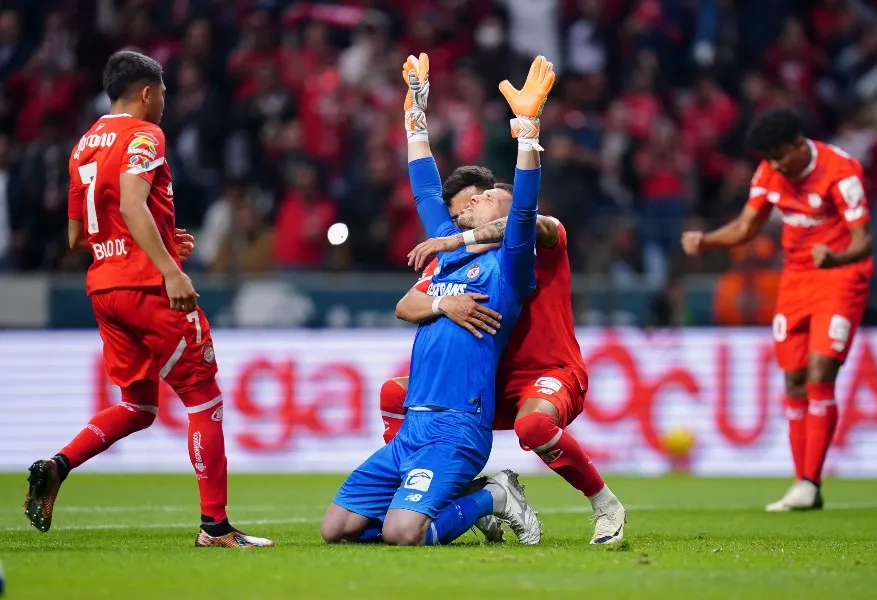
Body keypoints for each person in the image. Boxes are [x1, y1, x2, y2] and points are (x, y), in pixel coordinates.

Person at [23, 50, 273, 548]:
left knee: (138, 406)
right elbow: (133, 200)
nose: (164, 102)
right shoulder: (144, 134)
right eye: (162, 93)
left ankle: (58, 464)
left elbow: (78, 235)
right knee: (204, 396)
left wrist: (158, 235)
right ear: (146, 92)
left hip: (105, 290)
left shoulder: (82, 145)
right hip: (147, 287)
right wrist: (167, 268)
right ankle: (215, 528)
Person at [320, 53, 552, 546]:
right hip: (413, 426)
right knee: (335, 529)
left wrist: (528, 132)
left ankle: (495, 496)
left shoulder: (508, 266)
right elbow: (425, 187)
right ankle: (445, 505)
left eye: (487, 198)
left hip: (457, 426)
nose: (473, 200)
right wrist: (416, 115)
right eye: (472, 199)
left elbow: (527, 205)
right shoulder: (444, 257)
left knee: (403, 534)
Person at [387, 204, 626, 545]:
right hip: (491, 382)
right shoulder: (460, 262)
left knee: (532, 426)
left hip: (550, 372)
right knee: (395, 394)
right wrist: (444, 304)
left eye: (486, 199)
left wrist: (456, 240)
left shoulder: (545, 238)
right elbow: (405, 305)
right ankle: (472, 493)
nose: (474, 205)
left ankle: (606, 506)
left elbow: (523, 222)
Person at [682, 107, 873, 511]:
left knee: (821, 371)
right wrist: (707, 241)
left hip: (840, 276)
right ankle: (805, 486)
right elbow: (746, 226)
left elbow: (863, 241)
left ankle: (809, 481)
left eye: (780, 156)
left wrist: (835, 258)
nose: (774, 165)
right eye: (768, 158)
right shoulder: (770, 172)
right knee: (794, 380)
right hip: (796, 280)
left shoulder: (842, 170)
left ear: (799, 144)